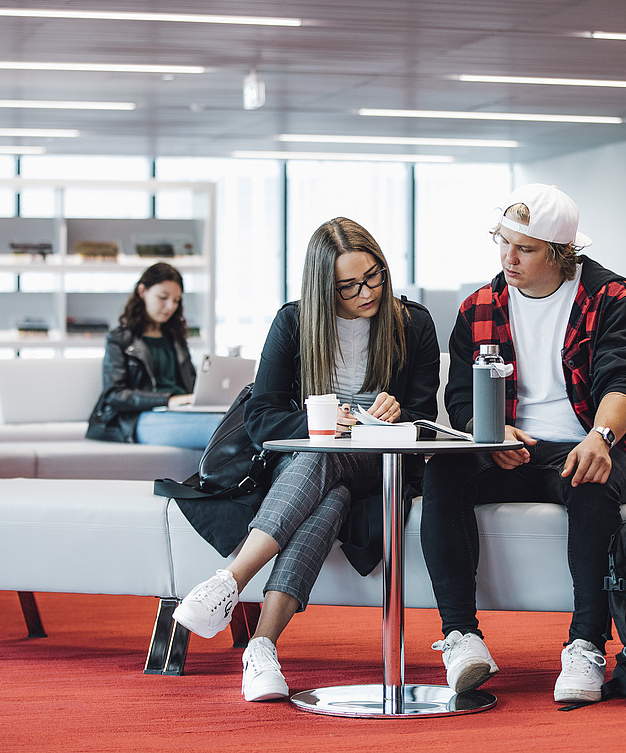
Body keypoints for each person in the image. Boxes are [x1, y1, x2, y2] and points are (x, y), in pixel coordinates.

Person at [419, 184, 626, 703]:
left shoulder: (611, 298)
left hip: (588, 441)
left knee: (591, 482)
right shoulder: (480, 305)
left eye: (526, 248)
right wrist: (487, 434)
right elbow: (463, 397)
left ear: (560, 252)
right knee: (442, 472)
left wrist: (601, 438)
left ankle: (586, 645)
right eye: (502, 242)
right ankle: (461, 638)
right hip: (509, 444)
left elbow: (625, 378)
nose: (507, 258)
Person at [172, 217, 440, 702]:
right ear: (322, 289)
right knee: (328, 486)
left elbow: (424, 417)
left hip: (382, 465)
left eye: (374, 275)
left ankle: (229, 582)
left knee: (329, 468)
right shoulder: (294, 322)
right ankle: (261, 649)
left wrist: (399, 412)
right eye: (348, 286)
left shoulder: (413, 323)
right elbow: (263, 417)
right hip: (310, 465)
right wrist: (323, 427)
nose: (367, 292)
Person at [86, 261, 220, 449]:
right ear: (142, 292)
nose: (170, 306)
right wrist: (169, 400)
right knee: (223, 430)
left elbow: (191, 384)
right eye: (163, 297)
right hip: (140, 417)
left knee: (237, 422)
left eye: (176, 300)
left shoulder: (176, 339)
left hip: (182, 412)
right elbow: (115, 395)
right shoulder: (120, 339)